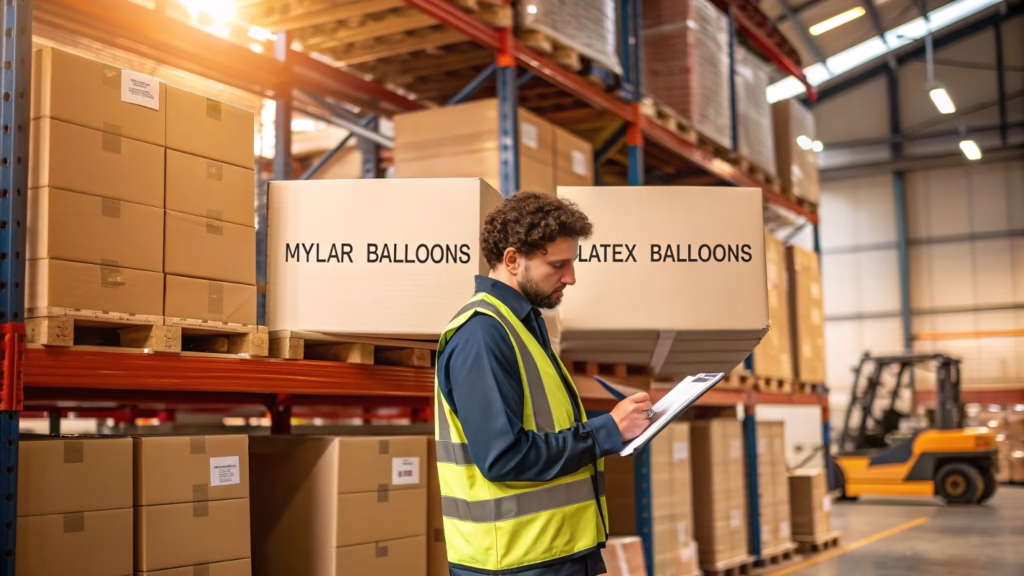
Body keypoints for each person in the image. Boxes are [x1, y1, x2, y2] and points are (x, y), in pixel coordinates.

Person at [434, 191, 654, 575]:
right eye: (558, 265)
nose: (571, 277)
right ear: (512, 260)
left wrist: (619, 425)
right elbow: (503, 456)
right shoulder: (483, 335)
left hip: (553, 552)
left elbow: (544, 428)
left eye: (572, 263)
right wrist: (606, 431)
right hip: (517, 562)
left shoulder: (523, 324)